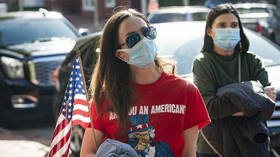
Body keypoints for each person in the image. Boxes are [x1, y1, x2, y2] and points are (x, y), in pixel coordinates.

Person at [80, 8, 210, 157]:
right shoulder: (104, 97)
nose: (144, 40)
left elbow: (188, 154)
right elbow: (87, 153)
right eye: (133, 39)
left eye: (147, 32)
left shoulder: (186, 91)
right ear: (121, 55)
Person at [192, 3, 277, 157]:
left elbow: (266, 106)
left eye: (234, 25)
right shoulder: (202, 63)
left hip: (252, 144)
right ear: (210, 31)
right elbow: (209, 108)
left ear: (239, 29)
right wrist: (251, 100)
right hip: (214, 147)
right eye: (222, 25)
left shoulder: (252, 61)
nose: (229, 29)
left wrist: (228, 99)